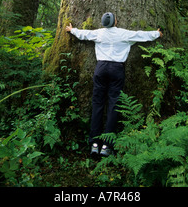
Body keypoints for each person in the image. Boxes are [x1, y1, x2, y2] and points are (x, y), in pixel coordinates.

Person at [66, 12, 163, 156]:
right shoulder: (123, 34)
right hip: (117, 69)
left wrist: (72, 30)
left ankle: (94, 144)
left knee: (97, 103)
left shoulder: (98, 33)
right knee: (113, 105)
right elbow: (141, 35)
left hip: (101, 68)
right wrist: (156, 34)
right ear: (115, 22)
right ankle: (106, 146)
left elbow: (84, 34)